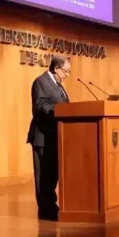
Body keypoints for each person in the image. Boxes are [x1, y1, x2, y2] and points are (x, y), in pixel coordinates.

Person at [26, 56, 71, 221]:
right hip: (42, 137)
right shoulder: (41, 81)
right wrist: (59, 109)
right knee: (43, 176)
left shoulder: (58, 85)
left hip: (54, 136)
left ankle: (51, 206)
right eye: (66, 71)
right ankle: (45, 210)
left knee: (52, 174)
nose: (67, 75)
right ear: (57, 68)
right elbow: (40, 106)